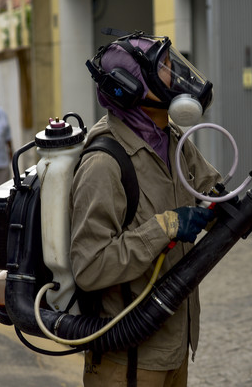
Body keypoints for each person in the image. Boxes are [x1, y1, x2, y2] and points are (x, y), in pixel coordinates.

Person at [70, 31, 221, 387]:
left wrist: (243, 200)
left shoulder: (171, 140)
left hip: (172, 345)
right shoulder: (104, 164)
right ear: (130, 87)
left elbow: (211, 194)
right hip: (127, 361)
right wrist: (166, 226)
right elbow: (90, 266)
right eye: (165, 68)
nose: (176, 76)